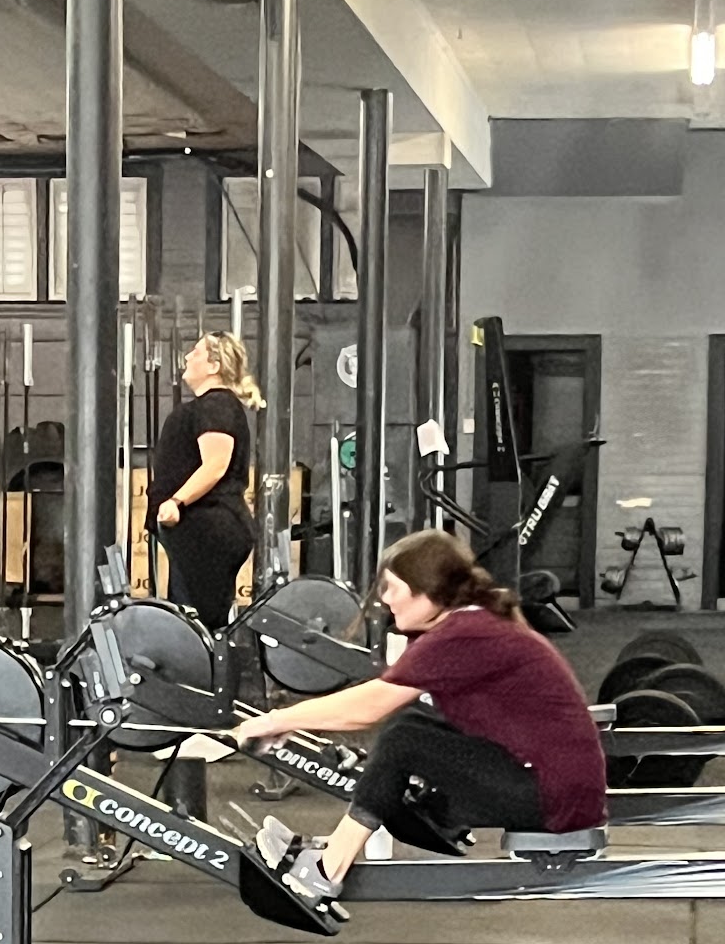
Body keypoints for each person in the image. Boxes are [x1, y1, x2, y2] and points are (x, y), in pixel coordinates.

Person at [230, 528, 609, 905]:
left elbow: (369, 707)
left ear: (427, 590)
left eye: (393, 587)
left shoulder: (465, 633)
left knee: (403, 740)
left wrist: (277, 720)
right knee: (411, 724)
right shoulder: (472, 623)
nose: (385, 598)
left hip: (553, 797)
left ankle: (326, 870)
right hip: (554, 786)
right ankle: (353, 842)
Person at [148, 333, 258, 631]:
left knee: (196, 624)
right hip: (200, 530)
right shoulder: (209, 406)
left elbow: (215, 464)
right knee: (192, 619)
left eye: (196, 352)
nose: (187, 357)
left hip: (208, 528)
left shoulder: (216, 405)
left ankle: (206, 661)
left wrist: (176, 500)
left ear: (214, 365)